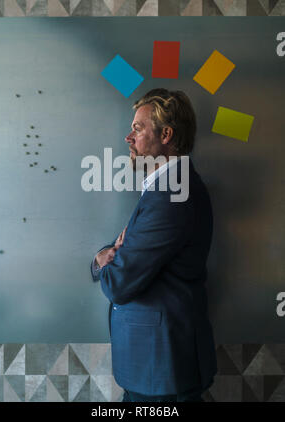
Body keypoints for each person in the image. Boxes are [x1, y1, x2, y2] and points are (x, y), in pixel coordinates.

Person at [91, 88, 217, 402]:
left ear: (166, 134)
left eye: (137, 128)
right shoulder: (168, 188)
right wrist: (104, 257)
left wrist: (105, 261)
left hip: (161, 368)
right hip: (155, 365)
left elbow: (120, 283)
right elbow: (126, 255)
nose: (128, 138)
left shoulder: (171, 195)